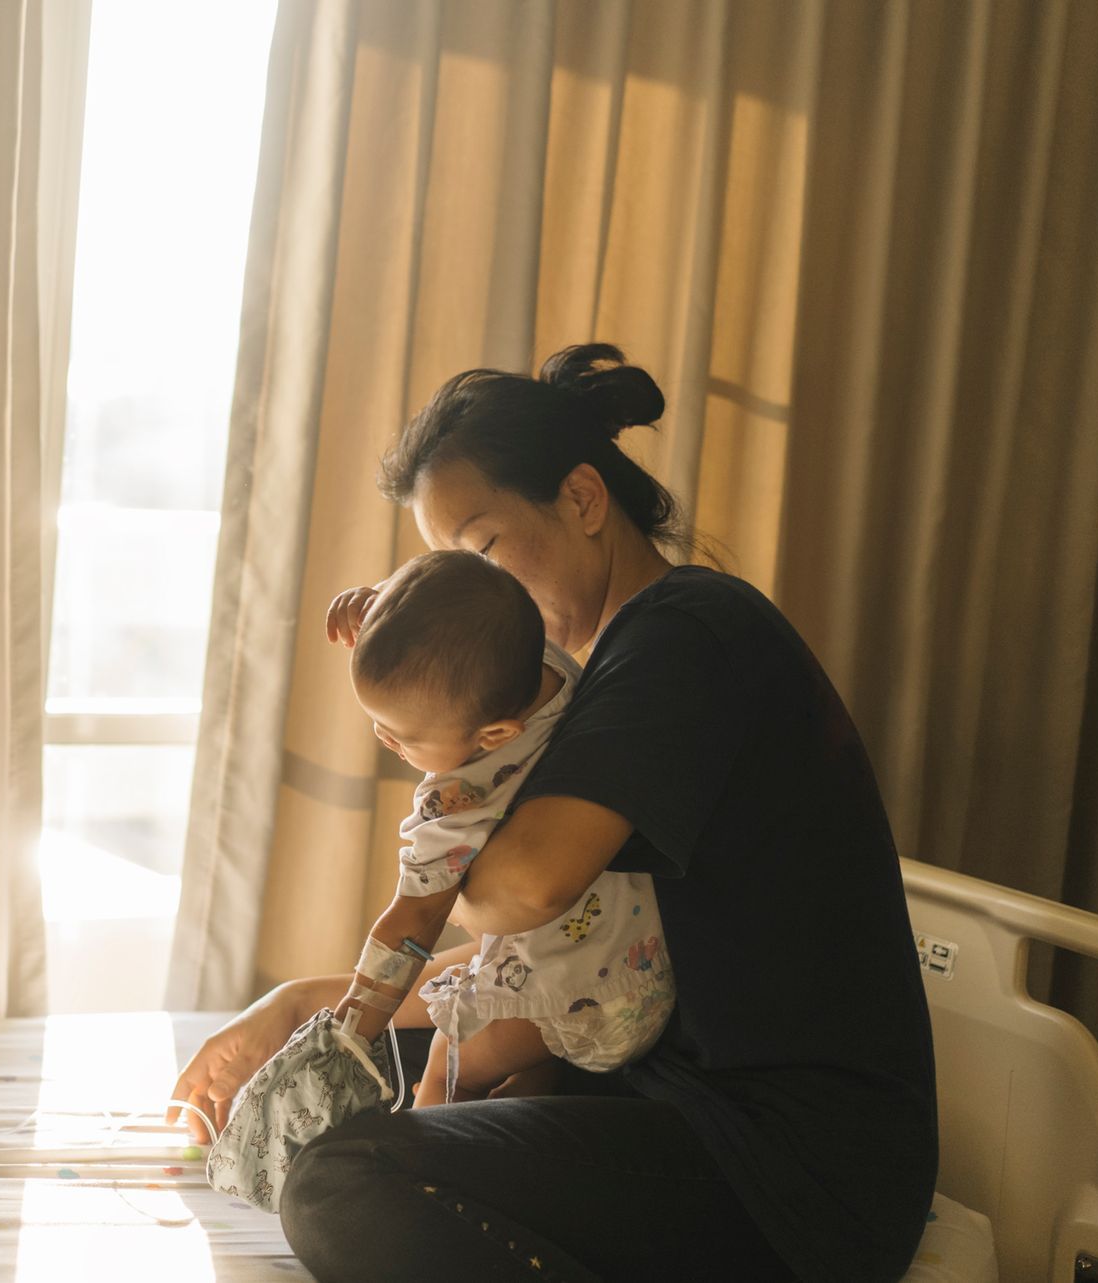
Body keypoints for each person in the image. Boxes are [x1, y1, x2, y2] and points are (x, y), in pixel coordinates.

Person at [169, 344, 937, 1282]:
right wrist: (307, 1003)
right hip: (668, 1090)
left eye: (482, 550)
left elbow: (525, 892)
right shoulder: (588, 680)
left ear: (580, 499)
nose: (471, 593)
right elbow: (564, 953)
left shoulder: (684, 636)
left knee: (342, 1181)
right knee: (357, 1107)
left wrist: (442, 847)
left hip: (792, 1169)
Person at [333, 549, 674, 1107]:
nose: (383, 738)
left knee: (449, 1063)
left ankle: (418, 1166)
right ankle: (530, 1092)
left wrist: (348, 1033)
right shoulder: (545, 668)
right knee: (516, 1066)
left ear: (494, 736)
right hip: (642, 965)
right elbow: (466, 616)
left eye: (402, 735)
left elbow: (411, 922)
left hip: (573, 996)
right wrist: (388, 604)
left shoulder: (456, 800)